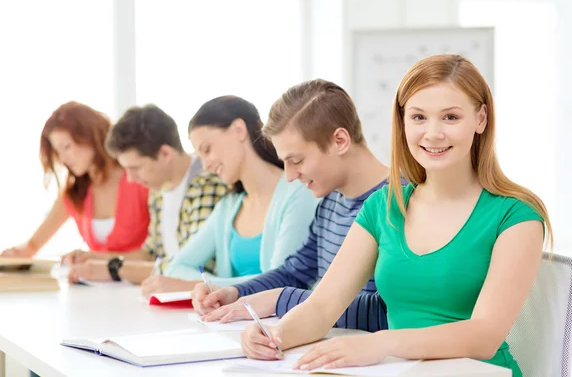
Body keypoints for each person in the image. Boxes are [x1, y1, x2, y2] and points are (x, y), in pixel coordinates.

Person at [240, 55, 553, 377]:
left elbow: (484, 335)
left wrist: (382, 344)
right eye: (418, 117)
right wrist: (275, 334)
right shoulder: (383, 207)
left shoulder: (517, 215)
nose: (432, 133)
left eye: (450, 117)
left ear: (481, 119)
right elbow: (322, 307)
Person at [191, 79, 393, 334]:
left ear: (340, 141)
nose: (289, 176)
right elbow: (295, 272)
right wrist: (236, 292)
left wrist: (279, 299)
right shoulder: (331, 203)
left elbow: (389, 310)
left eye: (296, 160)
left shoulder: (402, 202)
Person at [142, 95, 318, 297]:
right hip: (234, 324)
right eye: (200, 157)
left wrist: (203, 286)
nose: (206, 164)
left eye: (207, 150)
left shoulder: (299, 193)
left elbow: (282, 281)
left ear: (239, 130)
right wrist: (209, 287)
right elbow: (176, 267)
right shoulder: (228, 207)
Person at [66, 104, 228, 285]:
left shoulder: (206, 183)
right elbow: (151, 254)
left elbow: (195, 268)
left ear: (165, 153)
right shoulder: (159, 191)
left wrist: (113, 269)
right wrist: (97, 258)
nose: (130, 178)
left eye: (135, 168)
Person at [0, 101, 150, 259]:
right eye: (58, 151)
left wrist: (93, 259)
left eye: (66, 146)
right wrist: (11, 256)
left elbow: (155, 254)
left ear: (90, 136)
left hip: (145, 282)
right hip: (96, 284)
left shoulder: (139, 179)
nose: (63, 158)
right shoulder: (75, 194)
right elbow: (32, 246)